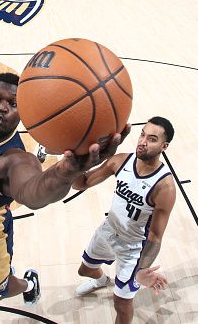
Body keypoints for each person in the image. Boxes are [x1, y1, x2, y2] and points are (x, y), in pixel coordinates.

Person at [0, 80, 165, 306]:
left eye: (13, 104)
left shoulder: (15, 159)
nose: (2, 107)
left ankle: (29, 284)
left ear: (24, 114)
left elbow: (33, 193)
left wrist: (65, 172)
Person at [72, 117, 175, 324]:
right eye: (142, 134)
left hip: (133, 247)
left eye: (152, 139)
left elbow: (155, 236)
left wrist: (141, 271)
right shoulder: (120, 161)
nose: (143, 141)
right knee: (85, 270)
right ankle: (102, 280)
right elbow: (80, 184)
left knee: (121, 304)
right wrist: (75, 162)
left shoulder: (165, 187)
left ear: (164, 146)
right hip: (108, 230)